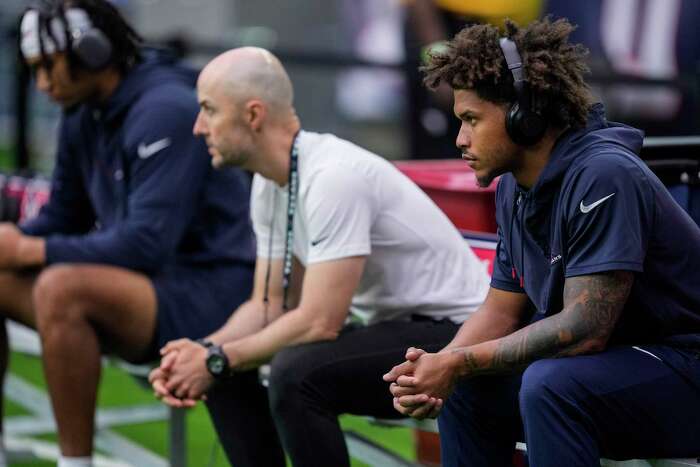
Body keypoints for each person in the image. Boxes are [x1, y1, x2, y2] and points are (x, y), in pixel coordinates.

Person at [148, 46, 490, 467]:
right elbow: (267, 305)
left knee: (296, 373)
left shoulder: (333, 177)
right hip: (402, 330)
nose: (199, 127)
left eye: (209, 110)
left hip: (460, 337)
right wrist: (206, 352)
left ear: (253, 115)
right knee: (229, 371)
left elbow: (319, 321)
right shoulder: (270, 182)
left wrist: (217, 358)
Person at [384, 17, 700, 467]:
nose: (460, 139)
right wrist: (440, 366)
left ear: (523, 115)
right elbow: (500, 310)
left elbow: (584, 330)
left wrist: (459, 362)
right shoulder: (516, 186)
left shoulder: (604, 175)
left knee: (551, 383)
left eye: (471, 119)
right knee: (469, 383)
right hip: (618, 367)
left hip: (684, 364)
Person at [2, 1, 255, 466]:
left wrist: (27, 247)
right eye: (33, 69)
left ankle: (74, 463)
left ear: (93, 52)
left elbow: (146, 244)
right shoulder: (84, 111)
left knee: (64, 289)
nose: (41, 83)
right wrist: (11, 247)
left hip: (214, 293)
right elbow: (63, 214)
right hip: (151, 286)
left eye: (48, 66)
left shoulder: (166, 109)